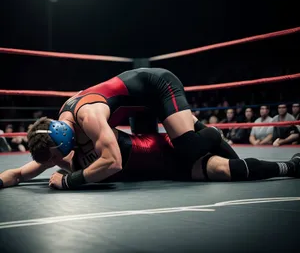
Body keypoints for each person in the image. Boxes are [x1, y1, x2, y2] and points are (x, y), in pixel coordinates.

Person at [25, 68, 221, 189]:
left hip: (157, 86)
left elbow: (113, 162)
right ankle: (194, 131)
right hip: (139, 109)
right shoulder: (62, 133)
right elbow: (20, 173)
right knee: (164, 153)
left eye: (54, 157)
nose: (56, 162)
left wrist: (69, 181)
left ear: (62, 138)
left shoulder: (88, 117)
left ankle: (204, 128)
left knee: (188, 149)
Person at [1, 119, 300, 189]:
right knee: (226, 172)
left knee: (220, 160)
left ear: (60, 146)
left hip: (165, 148)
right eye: (48, 161)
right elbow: (16, 174)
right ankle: (290, 167)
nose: (52, 164)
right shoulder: (53, 157)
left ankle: (289, 166)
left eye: (51, 157)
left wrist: (68, 181)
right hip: (166, 172)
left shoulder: (93, 134)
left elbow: (113, 166)